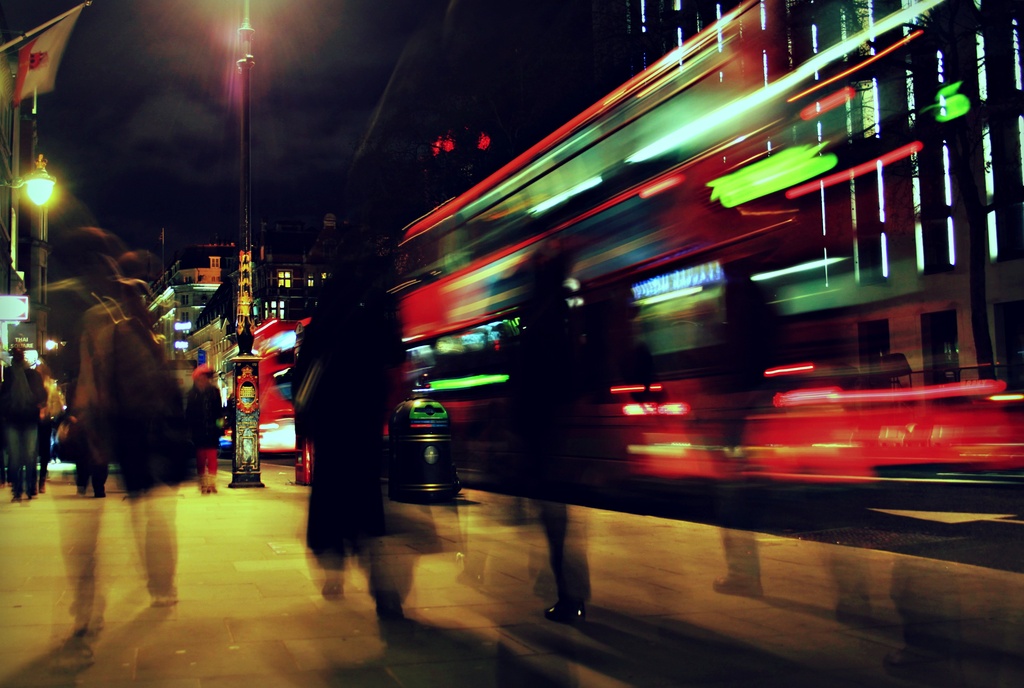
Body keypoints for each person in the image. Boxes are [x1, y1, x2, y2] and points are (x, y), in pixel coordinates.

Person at [294, 258, 408, 618]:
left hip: (330, 427)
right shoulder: (372, 313)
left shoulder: (322, 322)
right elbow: (395, 355)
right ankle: (384, 591)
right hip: (363, 426)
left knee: (330, 500)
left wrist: (307, 425)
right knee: (367, 501)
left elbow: (302, 377)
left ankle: (334, 567)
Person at [511, 239, 591, 623]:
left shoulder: (542, 316)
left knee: (555, 515)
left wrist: (519, 421)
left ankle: (570, 594)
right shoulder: (562, 312)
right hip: (556, 427)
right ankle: (570, 588)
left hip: (543, 428)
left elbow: (530, 378)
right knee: (558, 514)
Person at [0, 347, 48, 502]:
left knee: (17, 457)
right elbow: (42, 394)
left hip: (15, 419)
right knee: (28, 456)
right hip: (27, 419)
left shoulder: (9, 374)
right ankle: (28, 488)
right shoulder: (32, 374)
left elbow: (3, 395)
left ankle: (18, 489)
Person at [186, 364, 223, 494]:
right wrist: (189, 430)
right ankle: (203, 483)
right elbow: (189, 414)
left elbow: (219, 412)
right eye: (201, 377)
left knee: (212, 456)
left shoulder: (214, 392)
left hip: (212, 430)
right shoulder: (192, 394)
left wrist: (219, 428)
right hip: (199, 430)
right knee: (201, 458)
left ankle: (212, 483)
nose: (204, 380)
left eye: (206, 377)